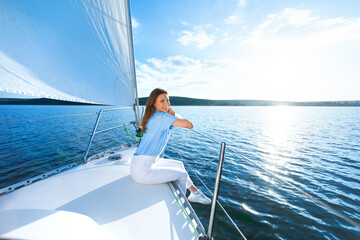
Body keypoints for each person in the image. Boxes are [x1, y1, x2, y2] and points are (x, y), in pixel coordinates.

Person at [130, 88, 211, 205]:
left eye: (167, 101)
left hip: (143, 163)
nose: (166, 104)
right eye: (162, 101)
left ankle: (196, 193)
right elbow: (189, 125)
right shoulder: (163, 117)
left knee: (179, 165)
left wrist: (172, 115)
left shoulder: (154, 115)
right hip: (143, 170)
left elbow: (177, 122)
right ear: (153, 103)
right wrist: (174, 115)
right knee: (181, 175)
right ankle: (181, 204)